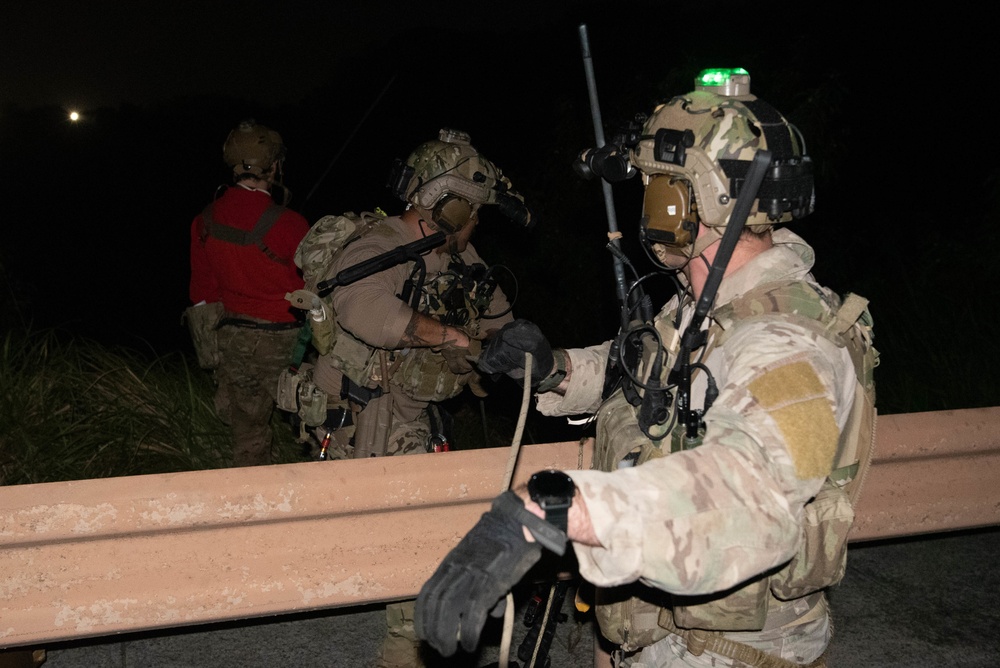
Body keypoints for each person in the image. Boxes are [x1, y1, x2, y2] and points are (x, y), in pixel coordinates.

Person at [414, 69, 878, 668]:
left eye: (656, 185)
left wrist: (557, 509)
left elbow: (752, 496)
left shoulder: (787, 341)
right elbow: (646, 375)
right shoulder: (707, 308)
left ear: (683, 201)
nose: (648, 202)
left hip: (728, 649)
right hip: (660, 630)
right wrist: (553, 368)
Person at [302, 128, 531, 667]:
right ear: (449, 207)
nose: (477, 226)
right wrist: (453, 337)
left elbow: (500, 321)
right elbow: (364, 309)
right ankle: (405, 652)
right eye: (473, 213)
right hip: (368, 412)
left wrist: (517, 351)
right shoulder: (378, 246)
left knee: (411, 533)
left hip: (416, 415)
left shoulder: (459, 254)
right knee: (413, 542)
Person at [187, 119, 310, 467]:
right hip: (285, 344)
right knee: (317, 422)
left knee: (248, 437)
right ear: (274, 166)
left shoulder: (204, 220)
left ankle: (253, 505)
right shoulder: (291, 223)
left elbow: (202, 293)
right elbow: (309, 289)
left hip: (234, 341)